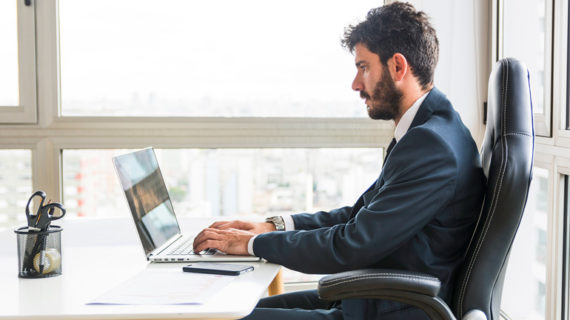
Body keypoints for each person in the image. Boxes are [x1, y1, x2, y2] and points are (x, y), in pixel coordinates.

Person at [193, 2, 485, 319]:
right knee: (227, 311)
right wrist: (271, 226)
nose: (356, 84)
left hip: (389, 310)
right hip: (374, 297)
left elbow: (351, 245)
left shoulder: (431, 145)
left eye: (363, 67)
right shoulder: (433, 128)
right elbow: (358, 216)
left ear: (398, 67)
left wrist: (253, 244)